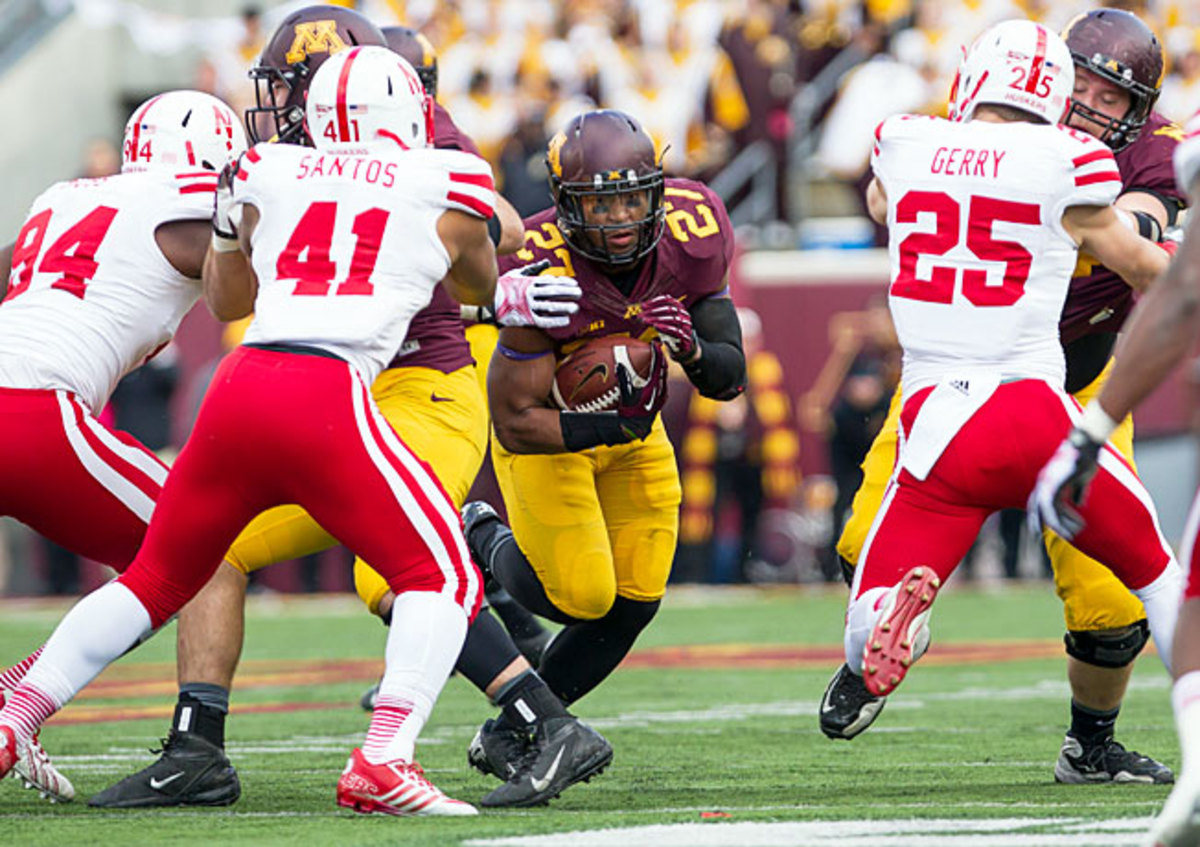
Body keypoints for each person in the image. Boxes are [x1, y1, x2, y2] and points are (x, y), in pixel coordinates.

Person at [90, 8, 606, 812]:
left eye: (285, 84)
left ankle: (542, 718)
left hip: (417, 387)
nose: (272, 103)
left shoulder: (406, 130)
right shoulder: (282, 157)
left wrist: (481, 289)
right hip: (316, 403)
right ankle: (198, 746)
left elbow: (497, 222)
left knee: (391, 567)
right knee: (209, 551)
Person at [0, 44, 494, 817]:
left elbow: (232, 295)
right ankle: (385, 756)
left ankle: (15, 713)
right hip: (324, 391)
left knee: (157, 575)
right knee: (446, 575)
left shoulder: (265, 171)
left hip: (240, 387)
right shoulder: (446, 176)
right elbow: (483, 282)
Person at [821, 8, 1184, 786]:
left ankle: (1089, 738)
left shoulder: (910, 138)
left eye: (1110, 95)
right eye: (1076, 80)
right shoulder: (1065, 161)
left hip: (988, 396)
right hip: (1034, 401)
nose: (1088, 103)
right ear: (1051, 76)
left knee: (1106, 604)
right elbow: (1135, 241)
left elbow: (889, 200)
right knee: (1157, 573)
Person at [462, 108, 747, 805]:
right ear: (564, 205)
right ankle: (482, 536)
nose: (620, 216)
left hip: (633, 431)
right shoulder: (541, 265)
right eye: (600, 201)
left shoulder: (693, 231)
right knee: (579, 596)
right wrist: (604, 427)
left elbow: (728, 374)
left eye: (631, 196)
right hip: (555, 433)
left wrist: (690, 351)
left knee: (637, 596)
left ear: (657, 190)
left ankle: (512, 731)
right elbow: (515, 418)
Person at [0, 89, 245, 805]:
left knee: (163, 559)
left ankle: (18, 688)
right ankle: (30, 713)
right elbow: (250, 279)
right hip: (33, 410)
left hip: (23, 387)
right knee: (206, 555)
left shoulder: (62, 193)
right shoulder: (188, 193)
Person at [1030, 105, 1200, 847]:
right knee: (1187, 598)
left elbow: (1176, 297)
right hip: (1035, 378)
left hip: (1073, 380)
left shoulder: (1174, 151)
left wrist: (1092, 430)